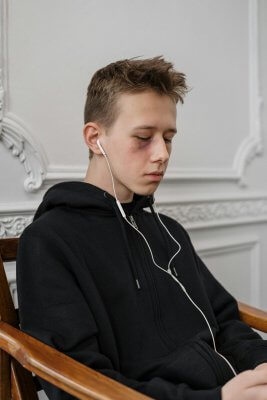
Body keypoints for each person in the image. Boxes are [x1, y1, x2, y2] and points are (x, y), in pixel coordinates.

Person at [17, 56, 267, 400]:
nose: (162, 153)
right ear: (94, 138)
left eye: (168, 137)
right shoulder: (50, 241)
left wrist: (261, 366)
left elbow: (224, 321)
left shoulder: (169, 232)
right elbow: (75, 382)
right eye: (144, 137)